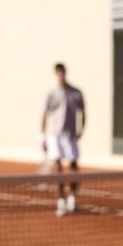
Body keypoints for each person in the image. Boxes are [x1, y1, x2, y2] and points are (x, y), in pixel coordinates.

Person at [41, 63, 85, 217]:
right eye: (58, 72)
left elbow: (83, 112)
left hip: (70, 135)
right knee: (58, 169)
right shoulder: (51, 93)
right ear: (55, 74)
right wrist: (43, 137)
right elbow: (44, 115)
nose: (60, 74)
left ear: (65, 72)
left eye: (62, 71)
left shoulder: (76, 93)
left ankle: (72, 200)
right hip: (54, 135)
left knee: (74, 167)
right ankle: (61, 202)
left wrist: (81, 129)